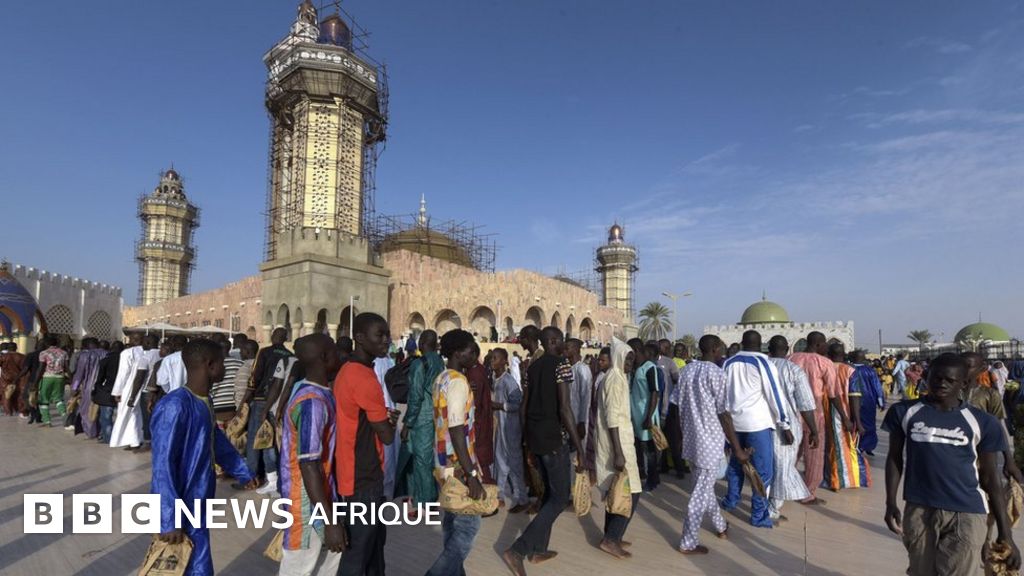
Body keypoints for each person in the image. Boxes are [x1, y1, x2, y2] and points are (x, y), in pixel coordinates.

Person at [883, 353, 1021, 576]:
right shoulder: (903, 412)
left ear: (963, 383)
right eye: (937, 378)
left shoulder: (982, 422)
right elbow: (894, 458)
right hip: (920, 509)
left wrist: (1006, 533)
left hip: (967, 512)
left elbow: (990, 478)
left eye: (950, 380)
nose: (942, 384)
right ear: (926, 377)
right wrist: (891, 502)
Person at [151, 338, 257, 576]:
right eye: (222, 363)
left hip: (200, 498)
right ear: (210, 365)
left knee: (198, 558)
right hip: (181, 502)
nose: (225, 368)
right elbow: (162, 467)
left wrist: (242, 471)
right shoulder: (175, 406)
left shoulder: (204, 402)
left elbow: (215, 441)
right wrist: (169, 518)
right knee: (184, 563)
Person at [502, 326, 585, 576]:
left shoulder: (532, 367)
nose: (564, 346)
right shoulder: (561, 365)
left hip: (536, 438)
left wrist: (526, 441)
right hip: (553, 440)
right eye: (562, 341)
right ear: (553, 341)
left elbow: (524, 408)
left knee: (549, 494)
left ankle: (538, 549)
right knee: (559, 498)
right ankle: (518, 550)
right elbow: (565, 408)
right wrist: (579, 448)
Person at [334, 313, 400, 576]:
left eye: (387, 334)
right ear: (360, 338)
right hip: (363, 474)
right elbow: (386, 436)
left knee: (373, 546)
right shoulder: (362, 376)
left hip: (355, 470)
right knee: (359, 552)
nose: (386, 340)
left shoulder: (349, 370)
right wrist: (390, 422)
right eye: (379, 335)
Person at [278, 334, 344, 576]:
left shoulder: (316, 392)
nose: (340, 356)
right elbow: (308, 464)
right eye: (335, 352)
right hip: (306, 503)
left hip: (320, 496)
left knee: (327, 563)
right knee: (299, 568)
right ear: (325, 357)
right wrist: (330, 521)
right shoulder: (312, 403)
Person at [426, 329, 486, 575]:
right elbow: (457, 429)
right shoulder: (458, 382)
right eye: (470, 351)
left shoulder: (441, 378)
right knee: (468, 527)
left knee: (452, 524)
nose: (474, 356)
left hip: (442, 462)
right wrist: (471, 474)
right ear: (457, 353)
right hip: (458, 464)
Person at [719, 330, 790, 529]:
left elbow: (722, 394)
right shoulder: (764, 363)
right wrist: (784, 422)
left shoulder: (728, 363)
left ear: (742, 343)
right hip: (757, 424)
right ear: (761, 345)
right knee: (762, 471)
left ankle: (731, 500)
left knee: (736, 464)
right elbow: (775, 394)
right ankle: (758, 515)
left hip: (733, 424)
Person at [675, 335, 729, 554]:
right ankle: (688, 542)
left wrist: (679, 437)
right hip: (709, 443)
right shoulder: (717, 374)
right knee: (699, 494)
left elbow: (675, 405)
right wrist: (736, 447)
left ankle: (721, 525)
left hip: (691, 440)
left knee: (704, 488)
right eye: (721, 348)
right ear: (715, 349)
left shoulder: (686, 371)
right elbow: (724, 413)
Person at [593, 338, 642, 558]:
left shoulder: (619, 377)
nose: (630, 363)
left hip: (621, 440)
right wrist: (619, 453)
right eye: (627, 359)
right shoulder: (614, 379)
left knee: (617, 489)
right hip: (617, 443)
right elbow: (612, 418)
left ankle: (612, 535)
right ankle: (611, 538)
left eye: (632, 359)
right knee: (631, 491)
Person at [765, 336, 818, 522]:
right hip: (786, 429)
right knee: (783, 467)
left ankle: (764, 506)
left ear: (769, 349)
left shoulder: (760, 367)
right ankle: (772, 509)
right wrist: (814, 430)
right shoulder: (793, 370)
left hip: (761, 424)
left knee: (765, 467)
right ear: (788, 349)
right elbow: (805, 404)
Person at [789, 331, 839, 505]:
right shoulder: (824, 362)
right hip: (814, 414)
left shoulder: (790, 359)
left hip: (792, 413)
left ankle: (784, 486)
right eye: (824, 343)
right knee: (814, 456)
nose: (826, 347)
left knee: (791, 453)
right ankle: (808, 493)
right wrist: (844, 416)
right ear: (818, 344)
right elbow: (833, 394)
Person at [241, 327, 292, 493]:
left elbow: (254, 377)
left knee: (256, 439)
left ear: (273, 336)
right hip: (280, 402)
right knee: (272, 440)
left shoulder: (264, 352)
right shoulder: (290, 355)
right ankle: (272, 477)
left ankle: (251, 477)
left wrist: (245, 400)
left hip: (262, 399)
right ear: (285, 338)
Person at [962, 352, 1023, 483]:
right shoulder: (950, 394)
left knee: (988, 482)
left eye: (968, 366)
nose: (963, 370)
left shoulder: (990, 395)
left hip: (984, 451)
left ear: (982, 369)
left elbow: (998, 426)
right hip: (958, 450)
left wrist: (1009, 460)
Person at [401, 330, 444, 506]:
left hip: (421, 417)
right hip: (435, 414)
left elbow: (415, 396)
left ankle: (424, 501)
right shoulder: (440, 361)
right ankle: (418, 495)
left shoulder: (419, 364)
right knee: (427, 459)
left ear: (423, 342)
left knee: (421, 460)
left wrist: (407, 423)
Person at [821, 343, 869, 490]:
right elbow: (854, 396)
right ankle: (841, 479)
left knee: (828, 445)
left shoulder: (823, 367)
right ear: (844, 354)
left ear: (829, 354)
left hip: (823, 411)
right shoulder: (849, 370)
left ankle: (828, 476)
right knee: (843, 446)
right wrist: (858, 421)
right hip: (843, 413)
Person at [492, 347, 529, 512]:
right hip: (500, 428)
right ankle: (498, 496)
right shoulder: (496, 379)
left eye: (495, 358)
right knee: (500, 462)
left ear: (504, 361)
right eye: (491, 358)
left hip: (511, 428)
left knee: (514, 463)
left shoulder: (509, 381)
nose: (492, 361)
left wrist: (500, 406)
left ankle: (522, 498)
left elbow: (518, 404)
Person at [110, 334, 159, 450]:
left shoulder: (128, 353)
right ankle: (137, 439)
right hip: (148, 389)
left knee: (130, 414)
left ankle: (134, 440)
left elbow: (123, 373)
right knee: (140, 415)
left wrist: (117, 391)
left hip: (130, 388)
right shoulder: (158, 353)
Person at [627, 338, 661, 491]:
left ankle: (652, 480)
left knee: (649, 450)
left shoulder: (650, 368)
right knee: (637, 448)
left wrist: (649, 416)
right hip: (634, 415)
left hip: (646, 416)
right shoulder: (633, 368)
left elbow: (654, 393)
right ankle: (642, 475)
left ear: (636, 350)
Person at [658, 338, 686, 478]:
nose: (667, 349)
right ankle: (663, 466)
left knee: (674, 441)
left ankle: (679, 468)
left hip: (670, 407)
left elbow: (678, 381)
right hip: (656, 408)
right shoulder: (652, 362)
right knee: (660, 439)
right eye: (664, 347)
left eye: (667, 347)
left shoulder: (670, 363)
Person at [468, 343, 495, 483]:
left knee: (479, 458)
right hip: (482, 419)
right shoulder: (477, 370)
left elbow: (476, 402)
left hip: (478, 420)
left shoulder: (475, 373)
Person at [850, 350, 885, 456]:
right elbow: (877, 386)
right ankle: (867, 445)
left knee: (855, 422)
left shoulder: (849, 369)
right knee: (869, 424)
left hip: (851, 401)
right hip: (869, 401)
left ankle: (856, 444)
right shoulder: (870, 371)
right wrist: (881, 401)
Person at [69, 338, 106, 436]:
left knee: (87, 410)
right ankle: (102, 432)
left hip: (89, 387)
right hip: (105, 387)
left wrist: (74, 388)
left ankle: (91, 432)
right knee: (102, 411)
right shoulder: (106, 354)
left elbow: (79, 374)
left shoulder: (85, 356)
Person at [585, 348, 611, 478]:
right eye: (599, 360)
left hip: (605, 416)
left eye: (603, 361)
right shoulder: (597, 375)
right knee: (591, 444)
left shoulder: (611, 378)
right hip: (593, 414)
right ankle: (592, 473)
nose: (600, 363)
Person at [91, 342, 124, 444]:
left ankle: (108, 438)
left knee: (106, 417)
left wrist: (96, 390)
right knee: (120, 416)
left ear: (111, 348)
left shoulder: (105, 360)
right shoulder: (126, 360)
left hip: (108, 390)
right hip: (124, 391)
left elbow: (100, 378)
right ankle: (118, 437)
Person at [37, 335, 69, 427]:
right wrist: (70, 379)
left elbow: (41, 368)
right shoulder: (64, 353)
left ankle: (47, 421)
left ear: (46, 344)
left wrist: (36, 381)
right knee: (58, 398)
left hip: (47, 377)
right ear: (57, 343)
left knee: (44, 400)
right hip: (60, 378)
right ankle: (64, 415)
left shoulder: (43, 353)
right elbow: (66, 367)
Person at [211, 339, 242, 423]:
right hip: (235, 407)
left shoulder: (213, 366)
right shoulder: (240, 363)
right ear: (230, 348)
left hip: (217, 407)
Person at [0, 342, 25, 416]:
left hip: (5, 378)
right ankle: (18, 409)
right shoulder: (21, 356)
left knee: (6, 394)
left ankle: (8, 412)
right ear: (16, 348)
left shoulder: (3, 356)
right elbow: (24, 368)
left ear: (8, 348)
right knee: (17, 394)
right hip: (18, 377)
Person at [233, 340, 258, 409]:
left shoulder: (245, 367)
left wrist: (239, 408)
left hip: (245, 407)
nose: (240, 352)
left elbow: (242, 391)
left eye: (242, 350)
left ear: (247, 351)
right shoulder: (259, 365)